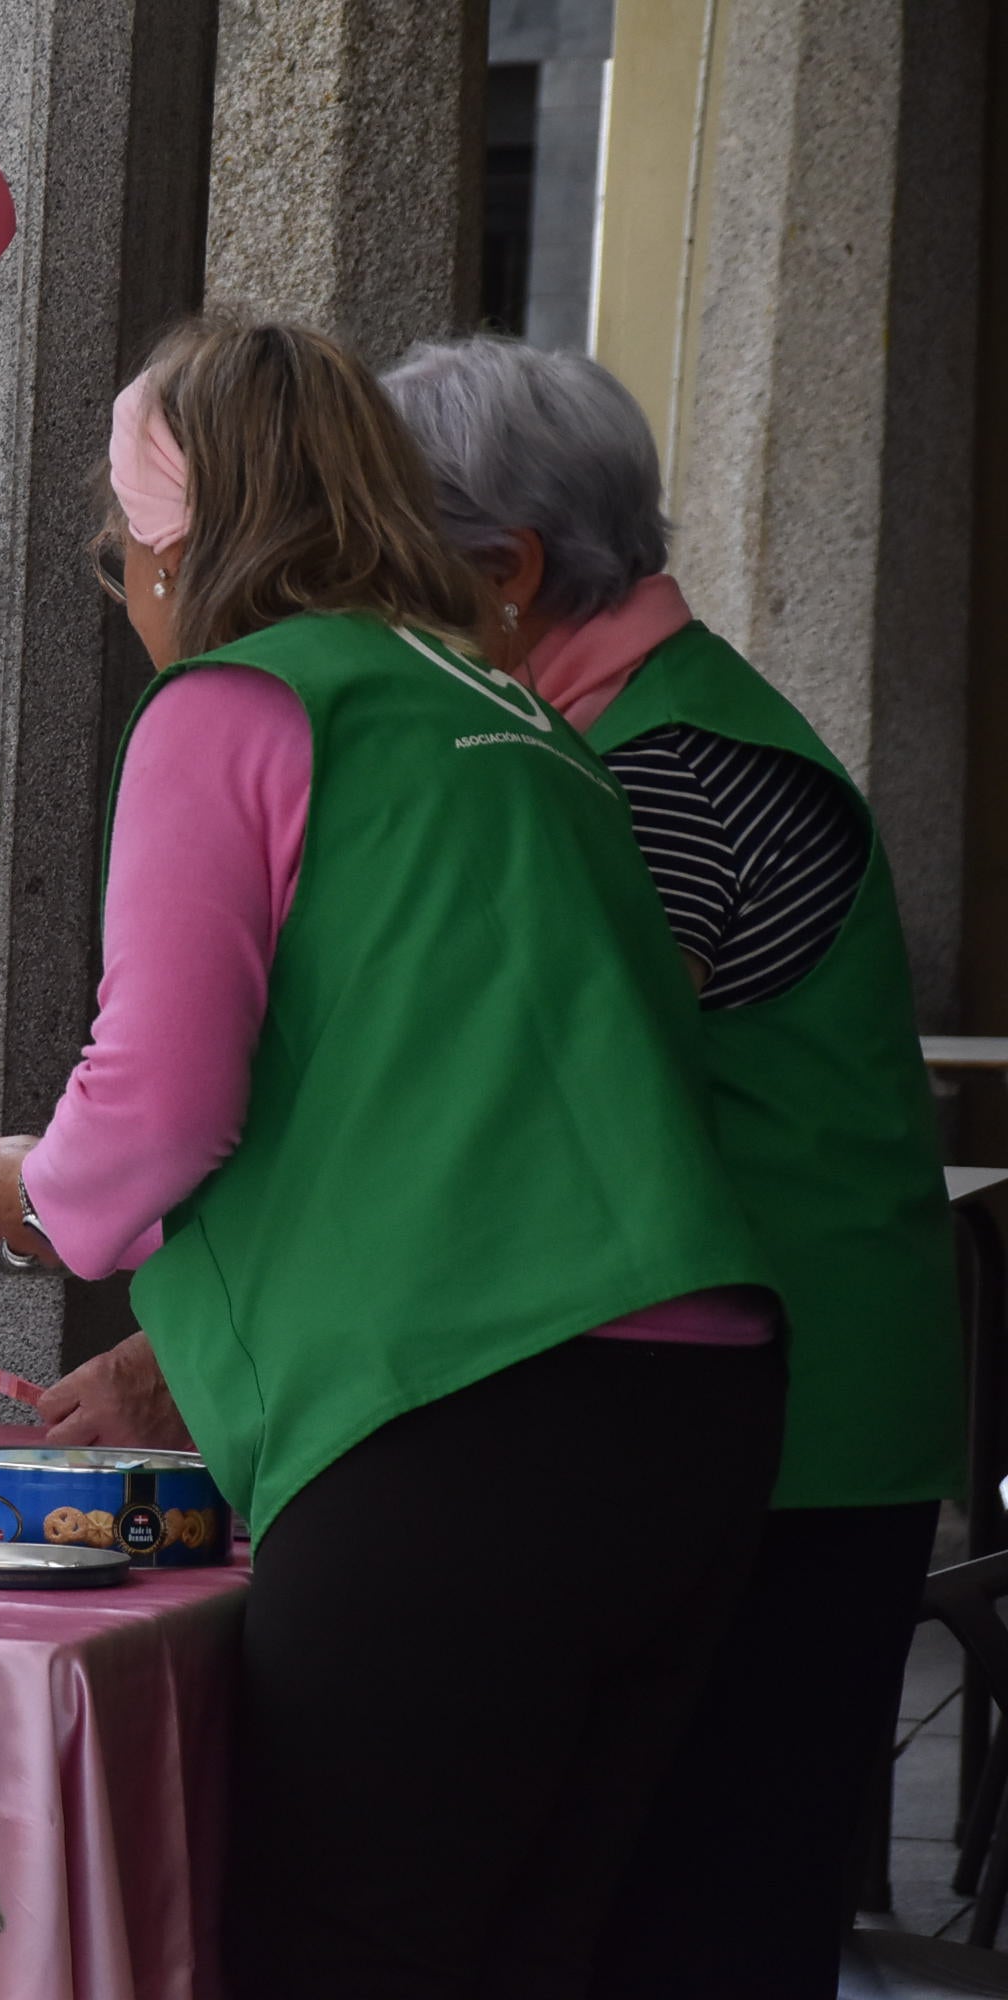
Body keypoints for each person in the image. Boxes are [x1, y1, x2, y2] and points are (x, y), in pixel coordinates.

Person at [0, 316, 784, 2000]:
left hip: (455, 1428)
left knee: (349, 1952)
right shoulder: (515, 717)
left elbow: (160, 1097)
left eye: (120, 554)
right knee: (526, 1951)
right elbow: (454, 1063)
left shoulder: (234, 706)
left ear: (178, 540)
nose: (129, 595)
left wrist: (51, 1196)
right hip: (688, 1410)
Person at [383, 334, 964, 2000]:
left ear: (505, 572)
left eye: (388, 569)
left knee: (699, 1920)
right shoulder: (630, 736)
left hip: (788, 1449)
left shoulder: (670, 777)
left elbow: (514, 1110)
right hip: (746, 1433)